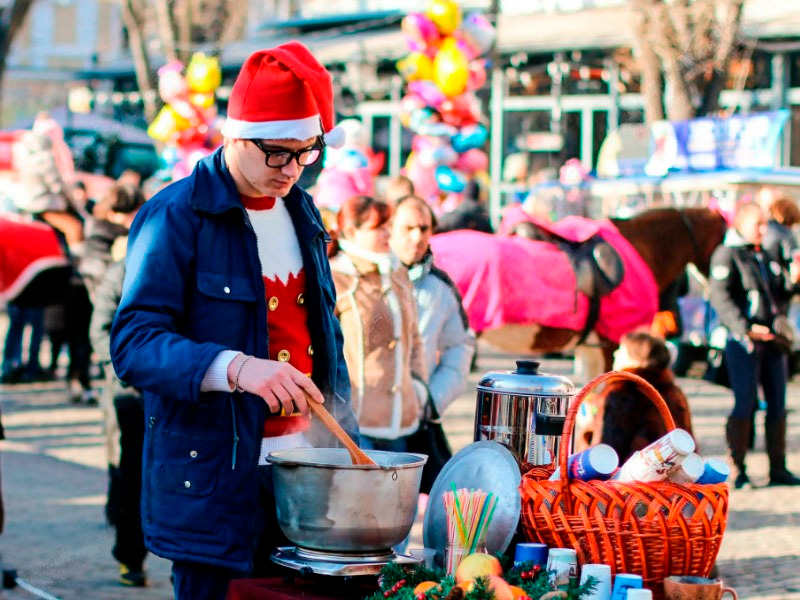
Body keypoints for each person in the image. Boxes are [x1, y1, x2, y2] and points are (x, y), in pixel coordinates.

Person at [110, 42, 357, 599]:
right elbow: (133, 342)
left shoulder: (303, 209)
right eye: (276, 153)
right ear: (235, 135)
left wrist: (351, 448)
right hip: (216, 480)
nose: (291, 169)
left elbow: (326, 340)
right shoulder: (174, 215)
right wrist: (237, 368)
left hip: (311, 472)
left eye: (306, 153)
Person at [709, 202, 800, 489]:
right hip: (743, 344)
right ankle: (738, 467)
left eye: (765, 225)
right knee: (745, 404)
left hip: (774, 344)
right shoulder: (727, 254)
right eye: (757, 225)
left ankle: (778, 468)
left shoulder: (765, 254)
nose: (763, 230)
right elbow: (720, 299)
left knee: (778, 405)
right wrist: (746, 329)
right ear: (741, 224)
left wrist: (794, 281)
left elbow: (779, 292)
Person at [329, 195, 427, 450]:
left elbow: (414, 339)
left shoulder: (397, 272)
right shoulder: (335, 277)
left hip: (402, 420)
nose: (388, 234)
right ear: (352, 231)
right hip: (354, 420)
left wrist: (418, 388)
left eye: (388, 226)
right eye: (378, 227)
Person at [88, 191, 147, 586]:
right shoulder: (121, 272)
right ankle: (130, 559)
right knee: (128, 476)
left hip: (172, 395)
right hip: (129, 394)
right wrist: (130, 371)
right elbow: (101, 333)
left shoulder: (181, 271)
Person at [389, 195, 474, 417]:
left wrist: (433, 399)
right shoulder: (361, 279)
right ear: (390, 228)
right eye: (408, 228)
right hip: (362, 419)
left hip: (415, 417)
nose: (417, 237)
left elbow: (460, 345)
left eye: (423, 228)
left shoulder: (441, 287)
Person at [574, 332, 694, 463]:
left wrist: (587, 428)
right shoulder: (673, 391)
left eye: (621, 351)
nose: (615, 354)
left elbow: (604, 455)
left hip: (630, 478)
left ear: (636, 359)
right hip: (675, 474)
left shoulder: (621, 390)